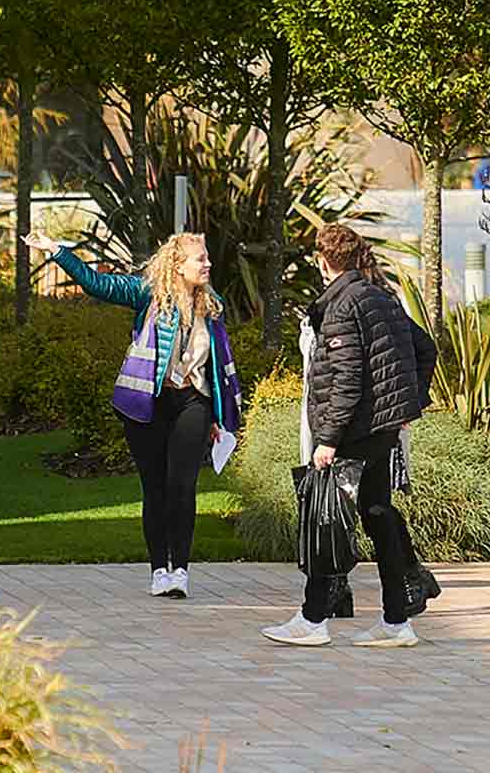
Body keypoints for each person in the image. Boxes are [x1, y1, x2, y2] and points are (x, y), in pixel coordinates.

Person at [24, 230, 242, 599]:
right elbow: (98, 284)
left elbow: (219, 365)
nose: (208, 264)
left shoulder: (212, 304)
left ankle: (181, 571)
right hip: (148, 404)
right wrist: (56, 251)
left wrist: (221, 416)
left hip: (193, 402)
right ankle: (160, 568)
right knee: (155, 488)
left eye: (206, 258)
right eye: (200, 259)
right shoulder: (148, 294)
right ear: (177, 266)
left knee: (183, 487)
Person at [264, 223, 438, 647]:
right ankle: (397, 621)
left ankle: (313, 618)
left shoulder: (343, 307)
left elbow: (347, 378)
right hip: (380, 429)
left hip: (354, 430)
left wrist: (328, 438)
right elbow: (425, 348)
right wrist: (406, 407)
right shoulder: (383, 298)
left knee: (327, 518)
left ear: (323, 262)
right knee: (377, 516)